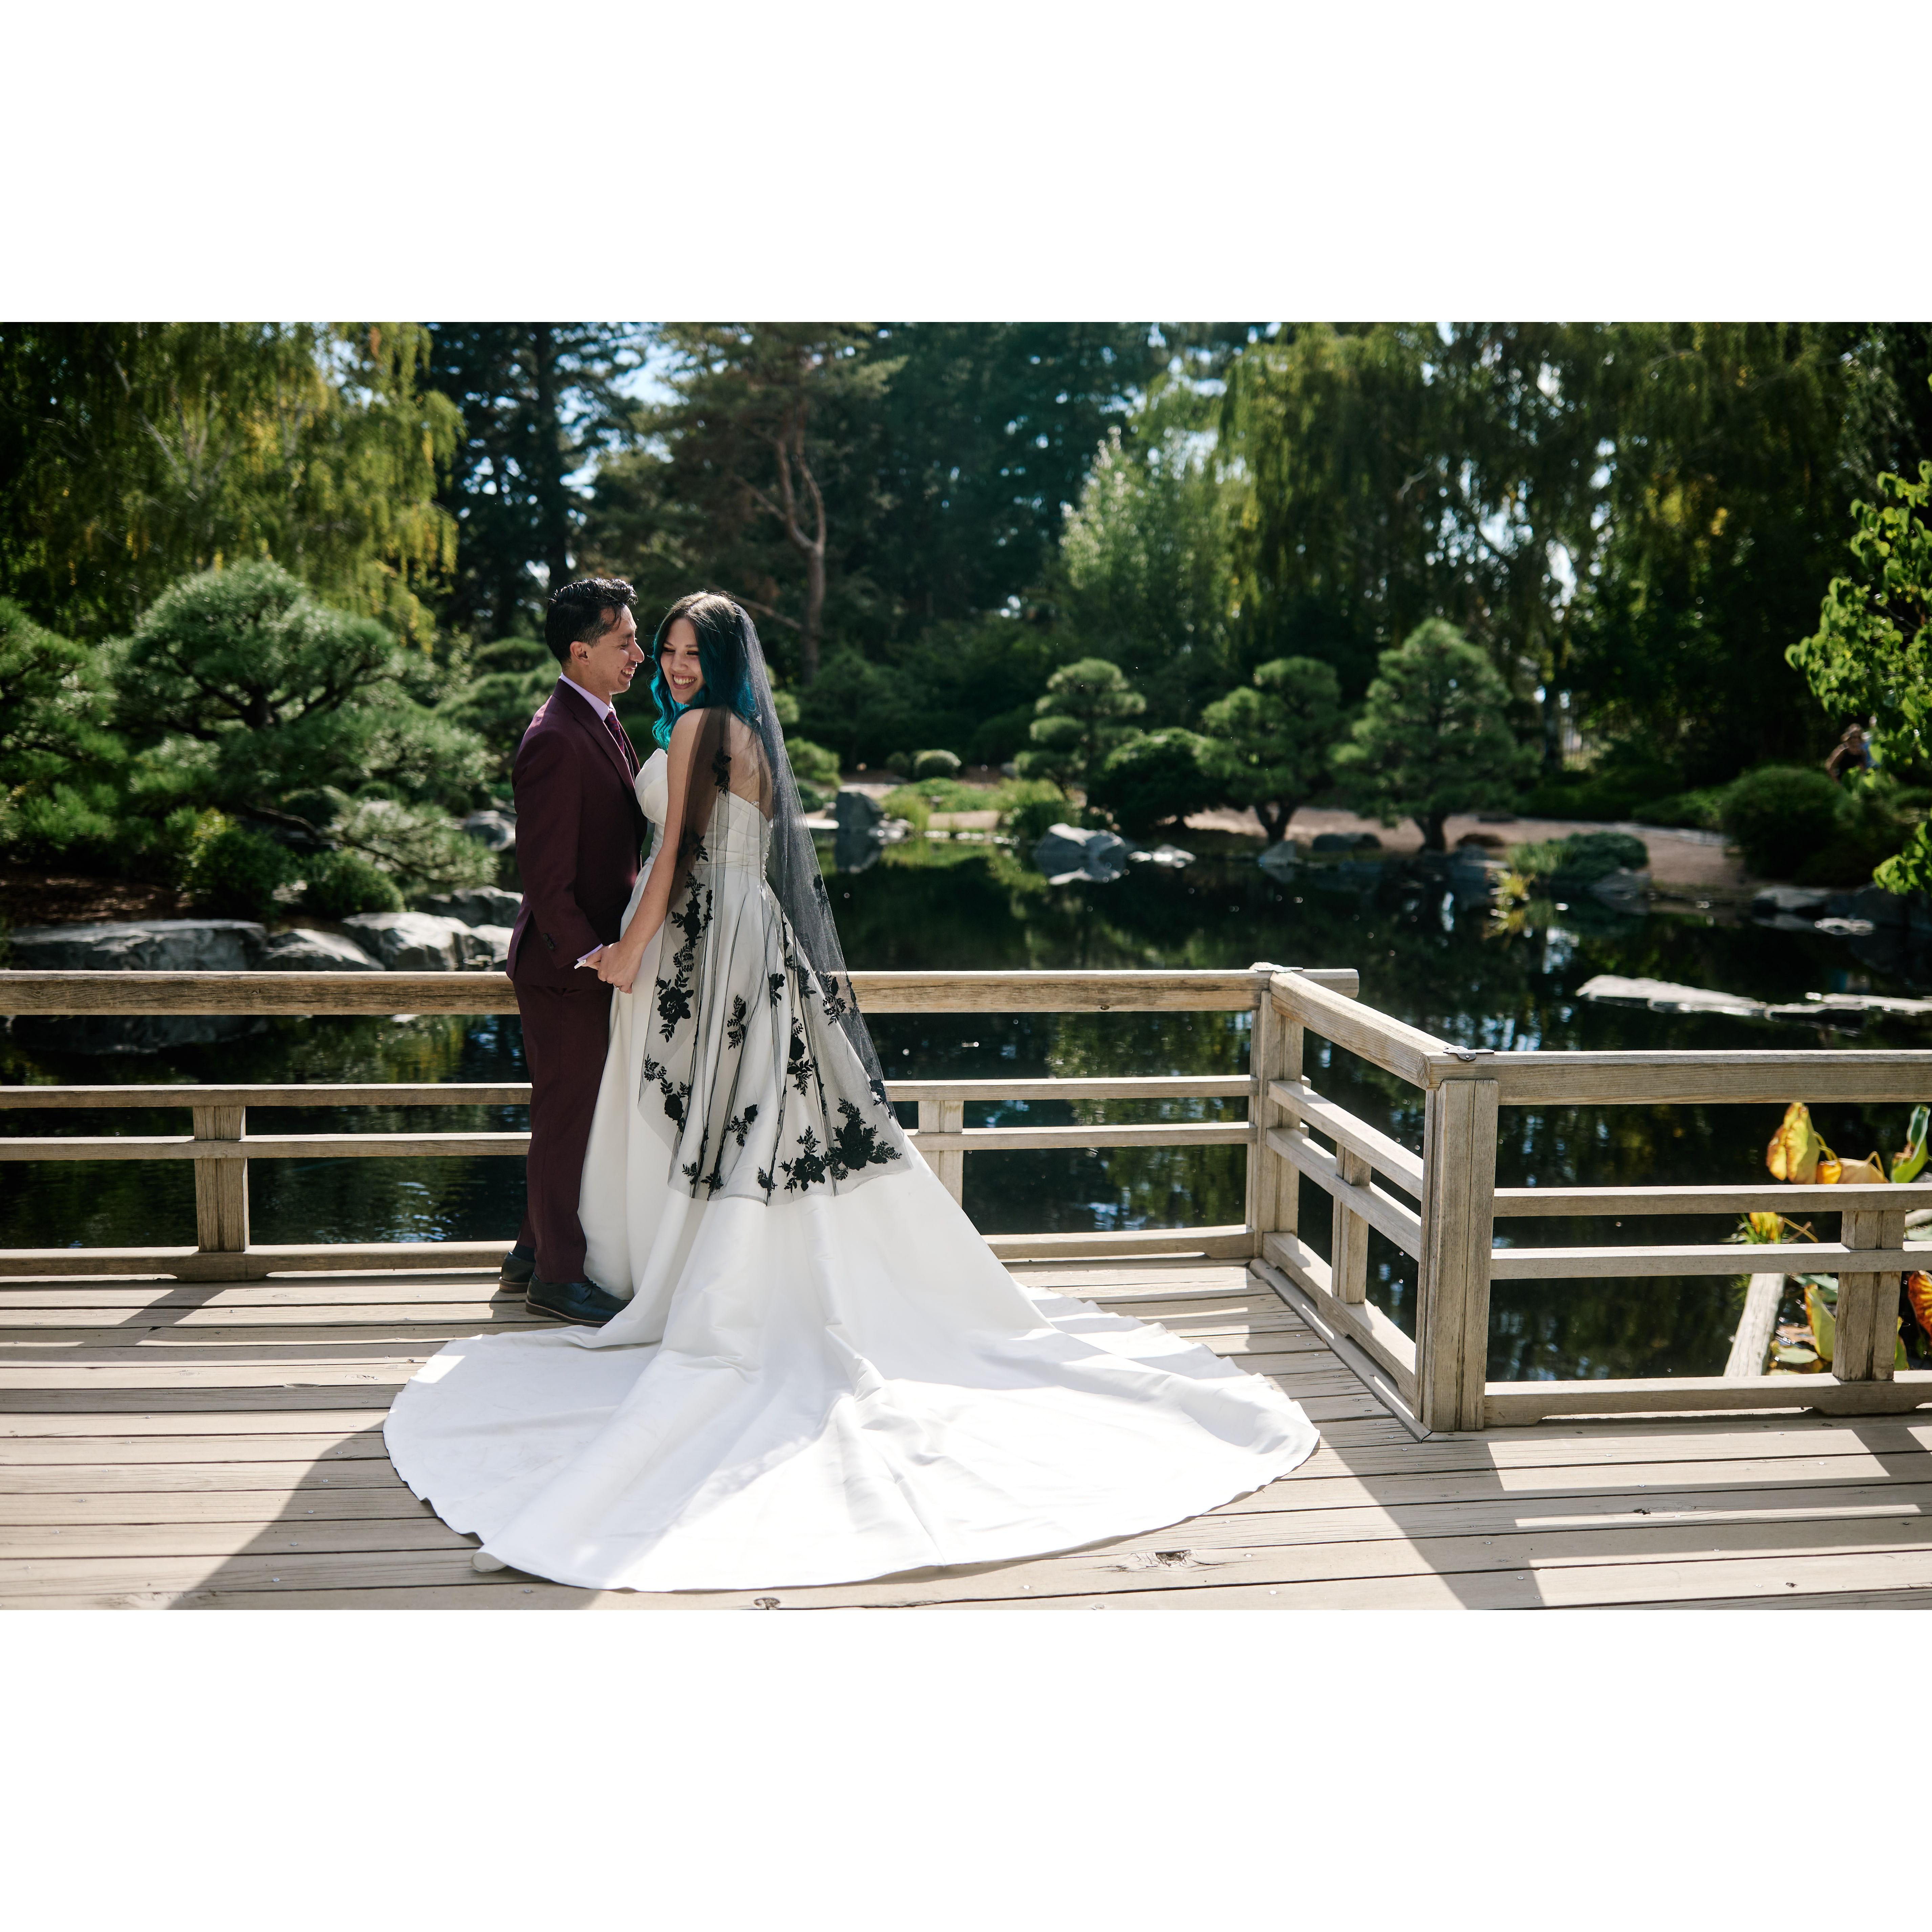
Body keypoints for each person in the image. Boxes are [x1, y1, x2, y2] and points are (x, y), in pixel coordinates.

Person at [385, 594, 1319, 1592]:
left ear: (726, 658)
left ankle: (695, 1276)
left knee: (723, 1115)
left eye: (691, 651)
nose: (672, 664)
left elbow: (673, 858)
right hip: (745, 933)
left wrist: (623, 953)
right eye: (663, 648)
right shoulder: (738, 731)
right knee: (755, 1113)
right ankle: (673, 1261)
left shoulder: (699, 730)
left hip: (710, 936)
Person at [500, 578, 648, 1325]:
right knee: (567, 1119)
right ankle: (557, 1279)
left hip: (587, 965)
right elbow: (545, 879)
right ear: (580, 650)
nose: (639, 654)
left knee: (569, 1113)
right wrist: (600, 957)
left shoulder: (598, 717)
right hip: (566, 971)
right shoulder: (555, 738)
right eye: (625, 641)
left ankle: (530, 1252)